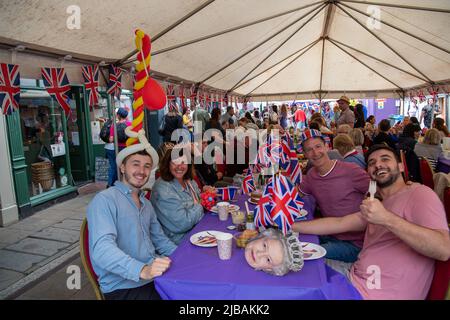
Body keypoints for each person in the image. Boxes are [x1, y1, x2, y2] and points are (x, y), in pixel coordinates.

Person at [293, 144, 450, 299]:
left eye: (385, 159)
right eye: (372, 163)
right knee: (292, 263)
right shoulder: (378, 204)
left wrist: (386, 219)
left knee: (293, 283)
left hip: (370, 293)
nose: (378, 164)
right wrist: (288, 226)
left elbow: (443, 249)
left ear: (401, 167)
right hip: (353, 276)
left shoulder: (420, 194)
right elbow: (339, 222)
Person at [87, 128, 176, 300]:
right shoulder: (104, 200)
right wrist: (143, 270)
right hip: (123, 287)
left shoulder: (146, 203)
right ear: (122, 167)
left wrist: (184, 256)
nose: (141, 171)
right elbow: (102, 250)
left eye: (146, 166)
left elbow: (160, 240)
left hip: (153, 277)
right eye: (135, 164)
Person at [298, 129, 370, 262]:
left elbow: (377, 190)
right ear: (305, 154)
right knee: (295, 242)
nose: (315, 153)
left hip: (355, 244)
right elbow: (296, 195)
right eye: (309, 150)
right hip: (330, 233)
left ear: (327, 146)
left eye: (318, 146)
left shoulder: (351, 170)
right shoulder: (311, 176)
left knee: (303, 255)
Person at [151, 144, 204, 245]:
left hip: (196, 231)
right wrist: (200, 205)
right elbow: (182, 224)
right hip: (178, 242)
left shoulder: (189, 181)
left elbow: (200, 199)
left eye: (183, 162)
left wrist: (206, 196)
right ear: (168, 164)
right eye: (175, 162)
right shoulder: (163, 188)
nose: (179, 166)